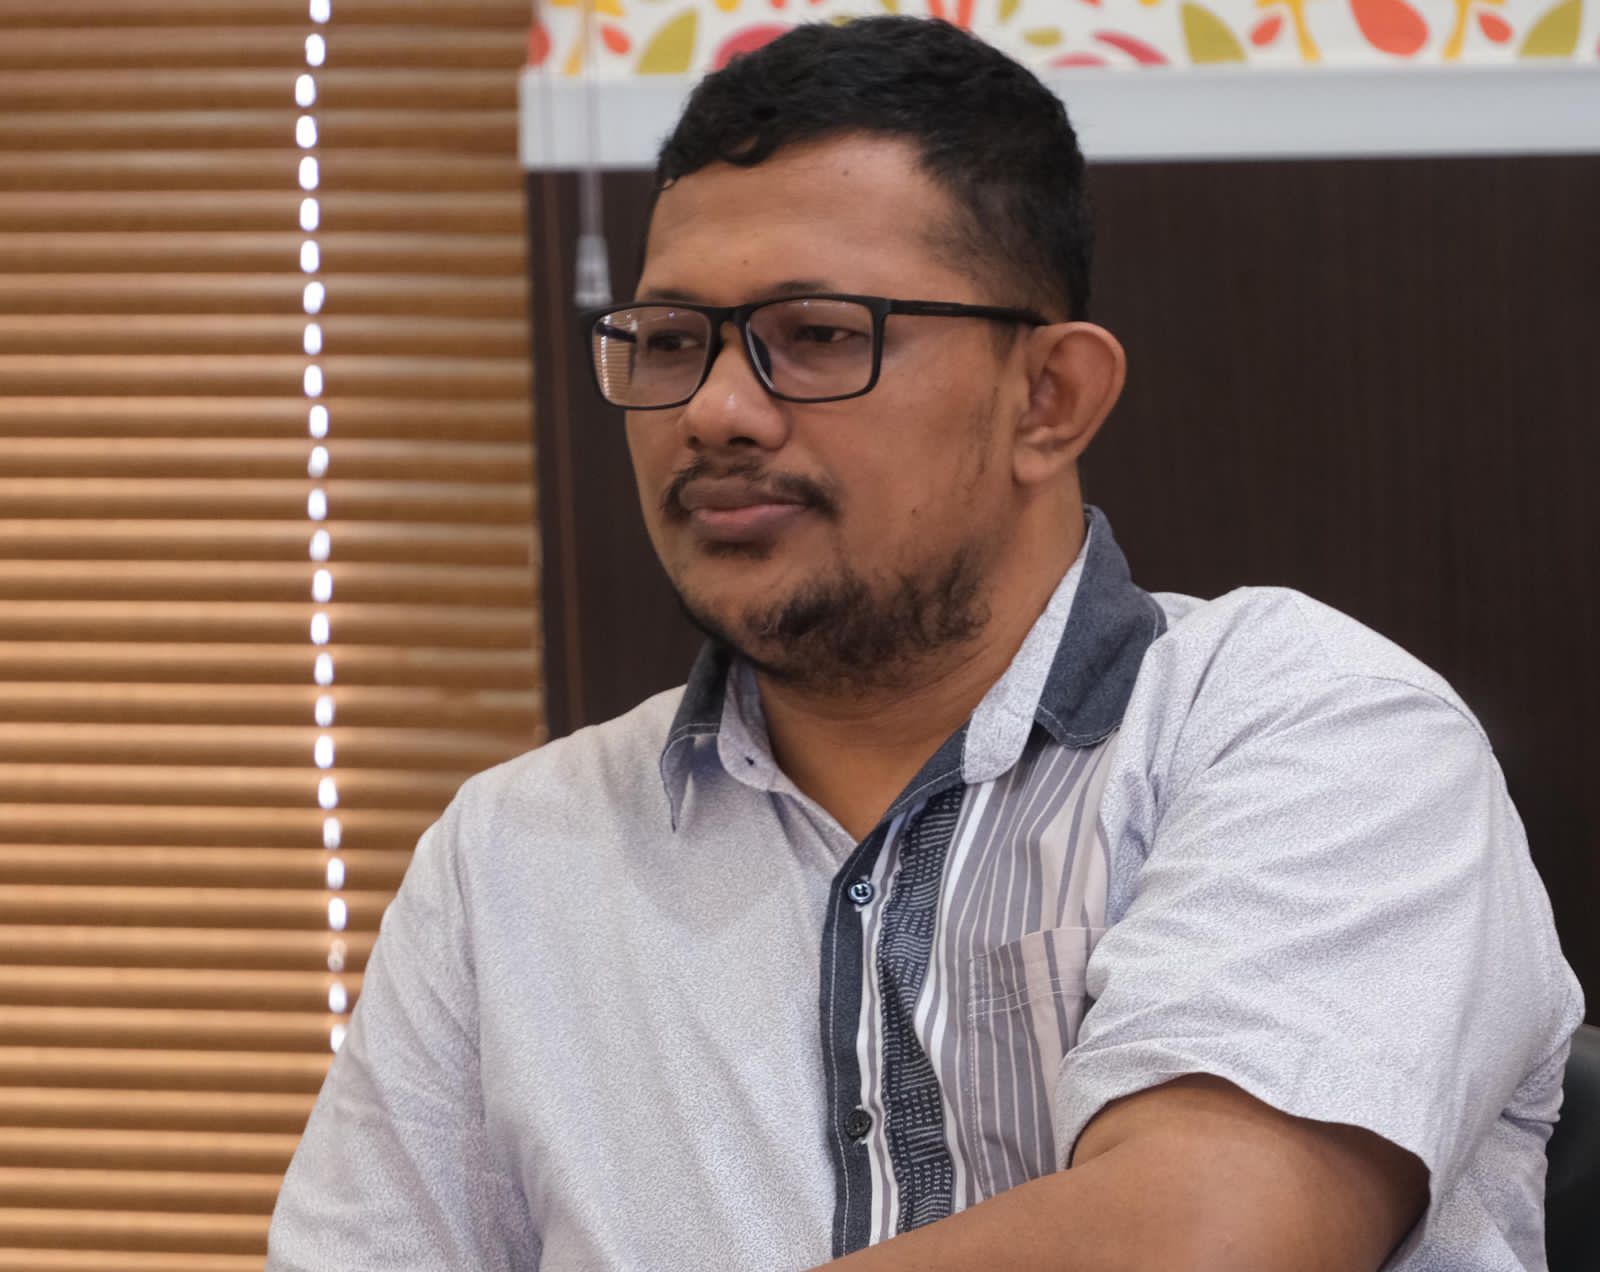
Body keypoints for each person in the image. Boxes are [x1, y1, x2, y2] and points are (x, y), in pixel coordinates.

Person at [266, 16, 1582, 1271]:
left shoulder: (1308, 724)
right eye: (668, 342)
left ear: (1049, 398)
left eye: (816, 336)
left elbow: (1205, 1243)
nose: (715, 410)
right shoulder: (510, 853)